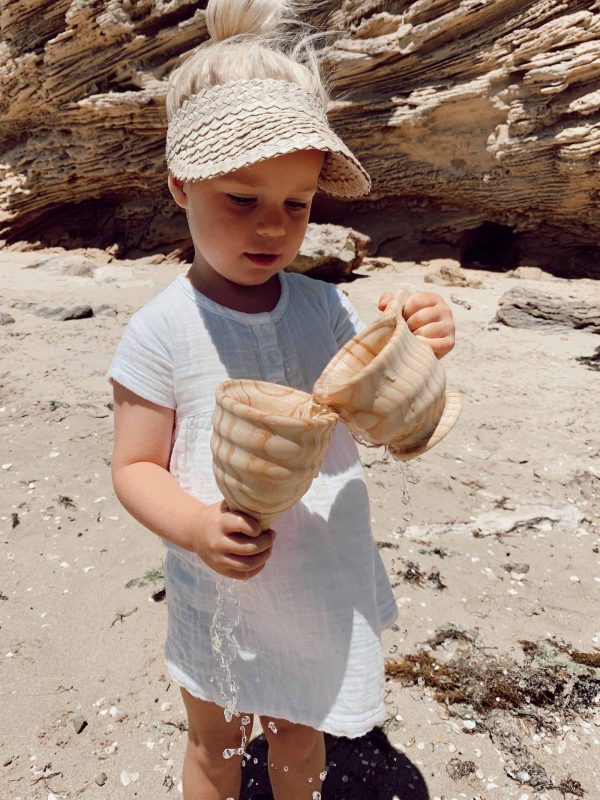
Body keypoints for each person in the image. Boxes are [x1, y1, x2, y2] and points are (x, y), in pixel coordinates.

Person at [108, 1, 456, 798]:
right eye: (241, 198)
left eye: (296, 204)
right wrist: (194, 525)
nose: (273, 226)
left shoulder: (323, 309)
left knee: (302, 739)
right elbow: (133, 467)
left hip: (318, 575)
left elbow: (378, 409)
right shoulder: (162, 330)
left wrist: (422, 344)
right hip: (221, 581)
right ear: (178, 185)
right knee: (214, 743)